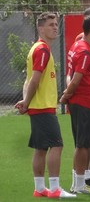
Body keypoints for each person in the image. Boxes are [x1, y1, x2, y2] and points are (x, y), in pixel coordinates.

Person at [15, 13, 76, 199]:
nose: (55, 27)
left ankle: (40, 188)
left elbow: (28, 81)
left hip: (39, 106)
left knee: (41, 148)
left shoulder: (37, 48)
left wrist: (26, 101)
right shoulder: (42, 50)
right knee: (56, 146)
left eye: (56, 24)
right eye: (51, 25)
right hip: (43, 107)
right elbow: (33, 80)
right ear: (40, 28)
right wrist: (26, 101)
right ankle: (55, 188)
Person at [60, 15, 90, 194]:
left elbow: (69, 75)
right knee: (83, 145)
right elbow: (76, 78)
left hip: (82, 102)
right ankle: (79, 185)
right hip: (85, 102)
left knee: (83, 143)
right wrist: (66, 96)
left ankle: (77, 183)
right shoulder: (85, 51)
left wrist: (68, 94)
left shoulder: (77, 46)